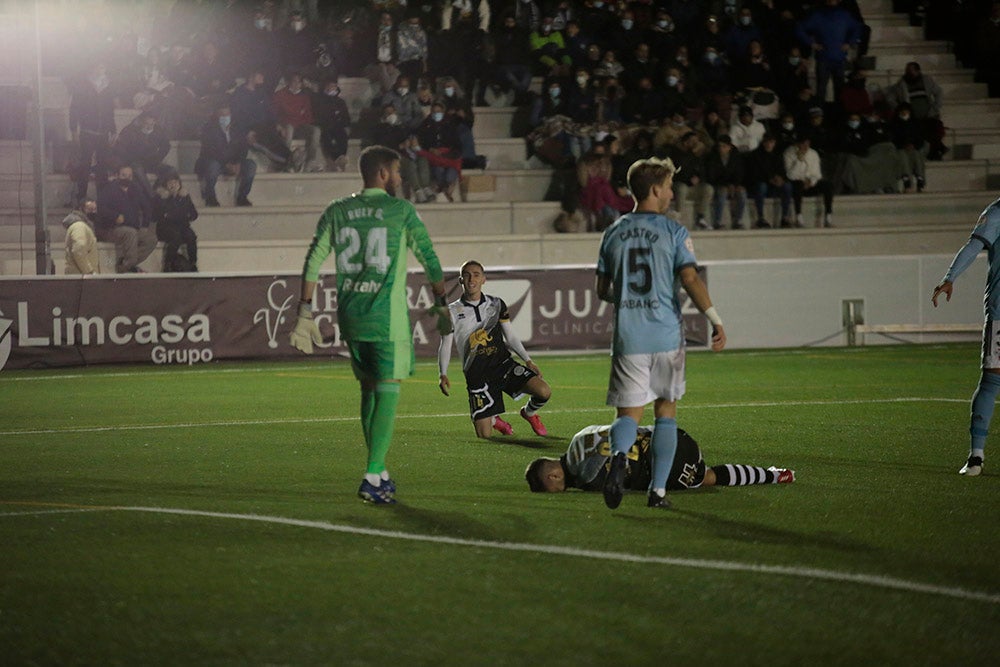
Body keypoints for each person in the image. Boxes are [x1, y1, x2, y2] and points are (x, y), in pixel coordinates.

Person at [289, 145, 451, 505]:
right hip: (386, 316)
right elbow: (429, 257)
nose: (399, 178)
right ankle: (373, 471)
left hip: (351, 313)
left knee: (368, 389)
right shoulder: (401, 211)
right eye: (396, 172)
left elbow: (314, 257)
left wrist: (305, 309)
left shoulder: (337, 210)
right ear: (382, 173)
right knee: (389, 386)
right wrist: (441, 301)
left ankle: (379, 473)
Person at [595, 156, 727, 509]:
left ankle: (620, 456)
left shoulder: (614, 231)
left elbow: (603, 290)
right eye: (668, 187)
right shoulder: (674, 232)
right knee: (665, 412)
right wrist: (715, 319)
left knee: (627, 416)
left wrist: (627, 290)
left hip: (629, 337)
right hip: (666, 336)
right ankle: (658, 492)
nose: (671, 193)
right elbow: (690, 278)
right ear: (655, 189)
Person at [437, 260, 552, 439]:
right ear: (460, 280)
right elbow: (445, 343)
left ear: (484, 279)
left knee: (544, 392)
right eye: (466, 275)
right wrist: (442, 373)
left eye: (476, 275)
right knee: (484, 435)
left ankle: (529, 413)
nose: (471, 279)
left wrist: (528, 360)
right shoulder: (449, 312)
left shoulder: (497, 304)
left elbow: (511, 336)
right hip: (477, 375)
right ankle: (494, 420)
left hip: (503, 365)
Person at [931, 196, 1000, 477]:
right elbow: (973, 247)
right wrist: (950, 277)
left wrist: (949, 277)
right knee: (992, 378)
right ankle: (976, 457)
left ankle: (976, 459)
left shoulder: (996, 212)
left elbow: (973, 246)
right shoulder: (996, 213)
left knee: (992, 379)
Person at [525, 424, 795, 493]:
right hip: (671, 435)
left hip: (673, 459)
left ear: (553, 476)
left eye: (550, 489)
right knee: (706, 475)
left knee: (705, 479)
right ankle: (773, 473)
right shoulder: (579, 436)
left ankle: (775, 475)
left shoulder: (585, 478)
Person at [97, 165, 157, 273]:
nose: (127, 178)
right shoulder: (108, 189)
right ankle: (129, 267)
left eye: (130, 176)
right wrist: (114, 216)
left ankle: (125, 265)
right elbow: (100, 208)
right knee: (130, 233)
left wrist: (145, 225)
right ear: (117, 175)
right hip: (111, 229)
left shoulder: (136, 189)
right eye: (124, 175)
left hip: (133, 228)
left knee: (151, 239)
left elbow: (147, 207)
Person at [196, 104, 257, 207]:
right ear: (217, 116)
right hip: (216, 162)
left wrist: (237, 163)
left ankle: (242, 198)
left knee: (251, 165)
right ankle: (210, 198)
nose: (225, 117)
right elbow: (210, 151)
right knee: (212, 167)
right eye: (222, 115)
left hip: (234, 162)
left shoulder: (237, 128)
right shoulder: (209, 129)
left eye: (227, 114)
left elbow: (243, 147)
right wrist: (226, 164)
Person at [112, 112, 173, 201]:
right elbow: (120, 148)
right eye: (146, 124)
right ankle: (152, 195)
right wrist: (129, 160)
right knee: (138, 169)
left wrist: (158, 157)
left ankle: (157, 190)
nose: (149, 127)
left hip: (151, 161)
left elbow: (166, 146)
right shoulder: (129, 131)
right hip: (134, 162)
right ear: (141, 122)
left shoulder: (158, 130)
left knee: (170, 170)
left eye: (151, 124)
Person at [272, 72, 323, 172]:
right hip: (285, 125)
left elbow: (308, 116)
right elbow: (273, 114)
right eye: (294, 81)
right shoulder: (280, 95)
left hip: (300, 126)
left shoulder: (304, 97)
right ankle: (284, 162)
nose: (296, 84)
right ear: (289, 82)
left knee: (316, 130)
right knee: (289, 129)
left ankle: (310, 162)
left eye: (299, 82)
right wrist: (278, 126)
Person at [784, 135, 834, 228]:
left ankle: (828, 217)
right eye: (803, 144)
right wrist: (799, 160)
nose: (805, 147)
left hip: (811, 184)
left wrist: (811, 181)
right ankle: (799, 217)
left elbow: (817, 174)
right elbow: (790, 175)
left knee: (828, 185)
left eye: (807, 144)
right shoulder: (789, 153)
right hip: (797, 184)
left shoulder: (813, 153)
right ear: (798, 144)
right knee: (798, 184)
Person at [153, 173, 199, 272]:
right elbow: (158, 215)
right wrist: (177, 214)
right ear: (165, 185)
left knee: (191, 237)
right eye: (170, 183)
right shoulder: (161, 197)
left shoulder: (184, 196)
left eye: (175, 182)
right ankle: (167, 265)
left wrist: (184, 213)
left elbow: (194, 214)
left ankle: (193, 263)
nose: (173, 185)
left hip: (182, 226)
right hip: (165, 228)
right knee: (176, 237)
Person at [746, 132, 792, 228]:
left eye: (771, 142)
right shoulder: (755, 155)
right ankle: (760, 217)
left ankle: (784, 217)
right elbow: (754, 174)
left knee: (787, 186)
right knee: (762, 186)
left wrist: (780, 179)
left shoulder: (777, 155)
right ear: (763, 142)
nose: (769, 144)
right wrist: (770, 179)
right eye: (767, 142)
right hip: (759, 184)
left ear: (774, 143)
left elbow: (782, 171)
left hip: (774, 185)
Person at [704, 134, 748, 230]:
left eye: (724, 146)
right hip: (717, 184)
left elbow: (739, 173)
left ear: (729, 147)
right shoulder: (712, 157)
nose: (721, 149)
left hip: (732, 184)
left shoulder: (736, 157)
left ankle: (738, 220)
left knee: (742, 192)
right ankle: (717, 221)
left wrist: (735, 185)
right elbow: (711, 175)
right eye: (719, 146)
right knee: (722, 192)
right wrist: (726, 185)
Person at [312, 79, 351, 172]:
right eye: (329, 86)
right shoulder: (319, 100)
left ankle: (341, 158)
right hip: (324, 125)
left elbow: (346, 116)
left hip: (338, 126)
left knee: (342, 135)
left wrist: (347, 126)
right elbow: (317, 115)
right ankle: (331, 161)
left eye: (334, 86)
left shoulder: (340, 101)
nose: (331, 88)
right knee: (326, 137)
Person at [62, 199, 100, 275]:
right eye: (90, 209)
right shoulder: (79, 226)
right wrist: (89, 272)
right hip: (81, 279)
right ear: (80, 209)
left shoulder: (82, 226)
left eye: (95, 209)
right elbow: (78, 250)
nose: (93, 212)